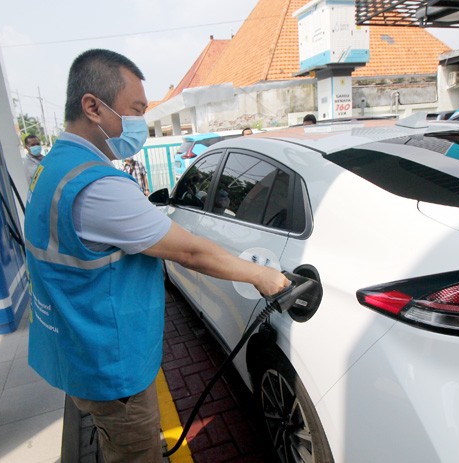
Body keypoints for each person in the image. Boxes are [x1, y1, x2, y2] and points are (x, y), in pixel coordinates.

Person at [24, 49, 289, 463]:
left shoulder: (57, 165)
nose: (139, 125)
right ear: (92, 106)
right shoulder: (99, 186)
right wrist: (262, 276)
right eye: (135, 110)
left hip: (76, 347)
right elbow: (189, 250)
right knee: (135, 452)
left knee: (119, 439)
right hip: (110, 366)